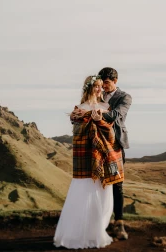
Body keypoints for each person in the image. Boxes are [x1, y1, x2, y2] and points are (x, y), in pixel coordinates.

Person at [54, 75, 124, 249]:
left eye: (101, 86)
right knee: (83, 195)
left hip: (103, 159)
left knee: (103, 197)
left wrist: (100, 120)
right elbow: (78, 135)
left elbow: (111, 135)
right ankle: (77, 234)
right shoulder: (79, 109)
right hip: (86, 159)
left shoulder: (106, 107)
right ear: (89, 89)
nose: (100, 89)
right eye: (96, 86)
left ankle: (96, 232)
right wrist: (87, 120)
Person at [70, 67, 132, 240]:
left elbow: (117, 115)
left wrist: (95, 113)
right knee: (96, 183)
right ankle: (99, 223)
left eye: (107, 83)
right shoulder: (100, 94)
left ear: (115, 81)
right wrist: (77, 114)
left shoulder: (124, 97)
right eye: (101, 83)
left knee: (117, 184)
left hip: (115, 144)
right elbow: (87, 103)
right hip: (95, 146)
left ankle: (118, 223)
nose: (103, 87)